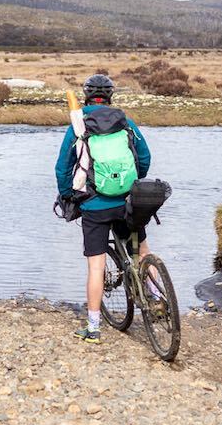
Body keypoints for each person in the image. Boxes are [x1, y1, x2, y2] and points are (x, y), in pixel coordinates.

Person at [54, 73, 152, 343]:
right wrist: (133, 181)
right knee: (142, 251)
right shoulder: (125, 121)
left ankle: (94, 328)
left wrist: (68, 195)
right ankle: (156, 298)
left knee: (96, 267)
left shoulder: (79, 123)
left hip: (95, 207)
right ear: (110, 96)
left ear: (86, 95)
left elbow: (63, 166)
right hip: (128, 205)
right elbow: (144, 157)